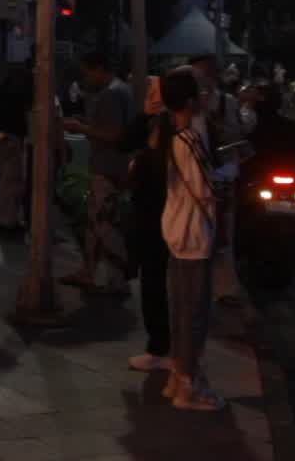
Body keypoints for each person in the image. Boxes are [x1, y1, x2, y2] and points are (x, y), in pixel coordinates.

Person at [161, 67, 224, 411]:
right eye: (200, 92)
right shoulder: (189, 139)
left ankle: (177, 377)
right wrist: (231, 170)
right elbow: (206, 187)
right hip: (193, 232)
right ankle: (188, 384)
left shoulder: (171, 133)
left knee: (180, 308)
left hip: (175, 229)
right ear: (189, 100)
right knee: (194, 312)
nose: (205, 96)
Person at [59, 52, 133, 295]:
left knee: (105, 224)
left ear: (99, 68)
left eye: (87, 72)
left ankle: (118, 278)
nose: (85, 78)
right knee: (96, 222)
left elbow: (114, 134)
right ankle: (88, 271)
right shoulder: (121, 89)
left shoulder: (111, 93)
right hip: (112, 166)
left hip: (108, 167)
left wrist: (80, 128)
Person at [119, 74, 173, 373]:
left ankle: (165, 347)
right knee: (152, 280)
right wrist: (146, 115)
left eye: (155, 90)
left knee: (163, 283)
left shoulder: (179, 128)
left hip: (166, 217)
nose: (149, 94)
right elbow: (125, 142)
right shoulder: (152, 123)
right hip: (149, 216)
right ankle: (160, 345)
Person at [190, 54, 246, 307]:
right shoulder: (185, 104)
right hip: (192, 179)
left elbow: (236, 138)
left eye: (201, 73)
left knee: (222, 235)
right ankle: (200, 286)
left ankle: (225, 289)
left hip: (220, 175)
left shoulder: (227, 102)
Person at [0, 61, 33, 235]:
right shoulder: (16, 94)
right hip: (13, 138)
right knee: (13, 181)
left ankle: (6, 220)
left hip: (3, 138)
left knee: (8, 181)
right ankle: (8, 222)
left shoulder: (2, 91)